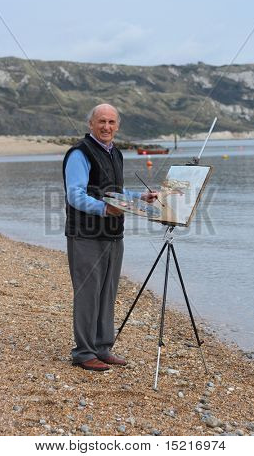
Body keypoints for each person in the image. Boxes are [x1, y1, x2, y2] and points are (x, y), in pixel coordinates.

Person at [63, 103, 157, 371]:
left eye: (111, 122)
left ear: (117, 126)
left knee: (108, 292)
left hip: (114, 234)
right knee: (88, 293)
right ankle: (83, 352)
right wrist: (104, 208)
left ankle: (103, 348)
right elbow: (75, 195)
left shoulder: (115, 153)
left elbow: (114, 191)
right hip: (85, 235)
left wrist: (139, 197)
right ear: (90, 124)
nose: (106, 127)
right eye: (101, 121)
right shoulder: (79, 154)